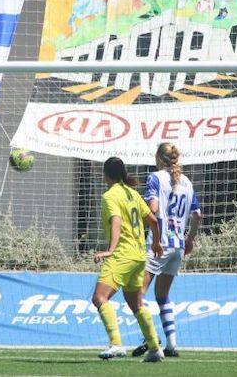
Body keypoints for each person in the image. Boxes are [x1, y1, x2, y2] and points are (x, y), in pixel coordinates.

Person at [132, 143, 202, 358]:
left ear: (158, 158)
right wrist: (189, 239)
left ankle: (150, 338)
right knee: (162, 295)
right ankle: (172, 345)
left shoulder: (155, 177)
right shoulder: (187, 182)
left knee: (137, 294)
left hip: (158, 243)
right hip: (177, 245)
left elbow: (153, 209)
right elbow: (197, 214)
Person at [92, 157, 164, 363]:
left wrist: (110, 250)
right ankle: (154, 348)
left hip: (122, 254)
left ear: (105, 174)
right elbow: (152, 220)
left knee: (99, 298)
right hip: (139, 255)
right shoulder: (132, 193)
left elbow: (116, 220)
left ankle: (116, 344)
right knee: (136, 304)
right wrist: (156, 244)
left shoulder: (110, 195)